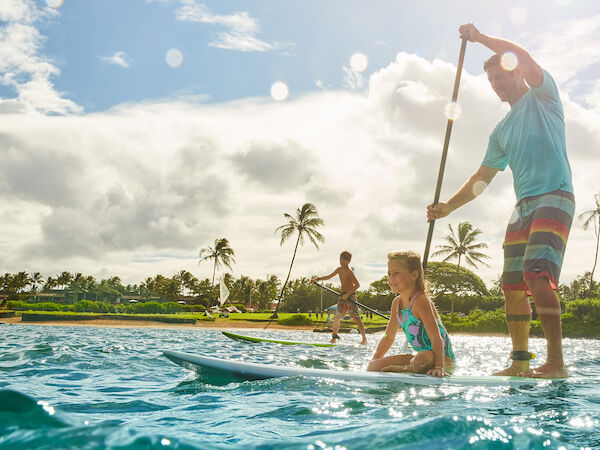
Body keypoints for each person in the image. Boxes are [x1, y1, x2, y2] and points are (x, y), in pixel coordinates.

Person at [427, 23, 574, 378]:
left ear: (517, 73)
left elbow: (523, 56)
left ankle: (556, 363)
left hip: (555, 194)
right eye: (491, 81)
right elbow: (482, 177)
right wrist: (447, 207)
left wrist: (479, 39)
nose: (497, 85)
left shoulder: (545, 98)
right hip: (522, 206)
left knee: (537, 276)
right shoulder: (501, 130)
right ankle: (520, 362)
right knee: (512, 285)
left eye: (501, 77)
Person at [367, 251, 455, 377]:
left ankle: (405, 369)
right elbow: (389, 336)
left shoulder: (420, 300)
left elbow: (436, 336)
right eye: (389, 274)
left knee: (421, 359)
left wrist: (439, 367)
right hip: (420, 358)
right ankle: (408, 367)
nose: (391, 278)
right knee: (373, 367)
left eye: (396, 273)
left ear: (414, 275)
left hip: (441, 360)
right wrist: (375, 359)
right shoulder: (396, 303)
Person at [311, 251, 367, 344]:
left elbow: (357, 285)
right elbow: (329, 276)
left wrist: (347, 295)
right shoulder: (339, 269)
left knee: (356, 318)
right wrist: (318, 278)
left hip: (350, 296)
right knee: (337, 317)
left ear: (349, 261)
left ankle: (364, 339)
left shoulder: (349, 272)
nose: (342, 262)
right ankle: (334, 338)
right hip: (342, 295)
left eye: (344, 260)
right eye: (341, 259)